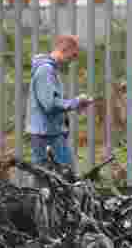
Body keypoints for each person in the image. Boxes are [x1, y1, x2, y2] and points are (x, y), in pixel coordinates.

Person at [25, 34, 93, 167]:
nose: (72, 61)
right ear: (64, 49)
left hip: (50, 132)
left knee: (52, 178)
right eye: (72, 56)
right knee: (58, 177)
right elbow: (50, 104)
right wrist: (76, 102)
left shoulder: (51, 70)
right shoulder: (46, 70)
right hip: (45, 134)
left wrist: (74, 105)